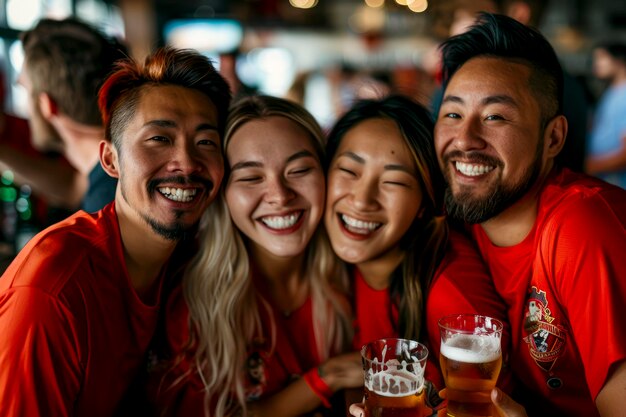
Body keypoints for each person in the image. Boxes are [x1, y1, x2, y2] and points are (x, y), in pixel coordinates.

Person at [0, 46, 231, 416]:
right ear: (110, 159)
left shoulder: (192, 262)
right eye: (159, 139)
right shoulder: (53, 290)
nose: (187, 163)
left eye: (206, 142)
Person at [435, 12, 626, 416]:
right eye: (453, 114)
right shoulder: (459, 217)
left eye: (495, 117)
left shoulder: (582, 226)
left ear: (553, 137)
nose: (465, 139)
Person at [146, 95, 362, 417]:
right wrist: (328, 377)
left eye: (299, 170)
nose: (279, 196)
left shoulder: (355, 272)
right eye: (250, 178)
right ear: (222, 194)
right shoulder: (193, 304)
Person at [324, 95, 511, 413]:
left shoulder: (450, 290)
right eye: (349, 171)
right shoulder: (331, 260)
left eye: (393, 181)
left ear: (426, 203)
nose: (362, 200)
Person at [430, 0, 590, 174]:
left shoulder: (560, 90)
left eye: (494, 117)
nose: (455, 29)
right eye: (453, 115)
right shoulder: (569, 86)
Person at [0, 17, 128, 212]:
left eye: (26, 90)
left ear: (47, 105)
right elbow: (73, 188)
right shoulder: (115, 166)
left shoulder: (105, 205)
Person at [585, 41, 626, 189]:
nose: (596, 64)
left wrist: (588, 166)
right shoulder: (611, 91)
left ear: (619, 60)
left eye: (602, 58)